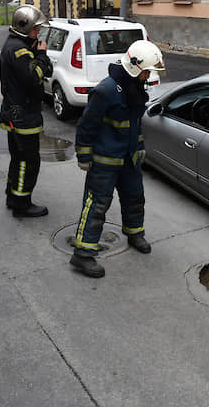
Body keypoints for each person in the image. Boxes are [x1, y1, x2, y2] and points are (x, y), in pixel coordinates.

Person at [70, 39, 165, 278]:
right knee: (97, 204)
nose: (149, 76)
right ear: (135, 67)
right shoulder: (106, 90)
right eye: (147, 71)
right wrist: (83, 154)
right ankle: (82, 254)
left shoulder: (134, 88)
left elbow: (134, 122)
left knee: (135, 196)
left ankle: (135, 233)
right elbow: (86, 125)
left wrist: (140, 144)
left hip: (128, 158)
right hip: (105, 160)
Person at [0, 4, 54, 218]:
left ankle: (13, 196)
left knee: (18, 158)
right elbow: (33, 78)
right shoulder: (18, 50)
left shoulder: (17, 45)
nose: (37, 33)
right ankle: (22, 203)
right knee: (28, 161)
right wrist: (42, 55)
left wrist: (40, 59)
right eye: (35, 29)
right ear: (24, 27)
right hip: (23, 117)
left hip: (17, 114)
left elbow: (42, 71)